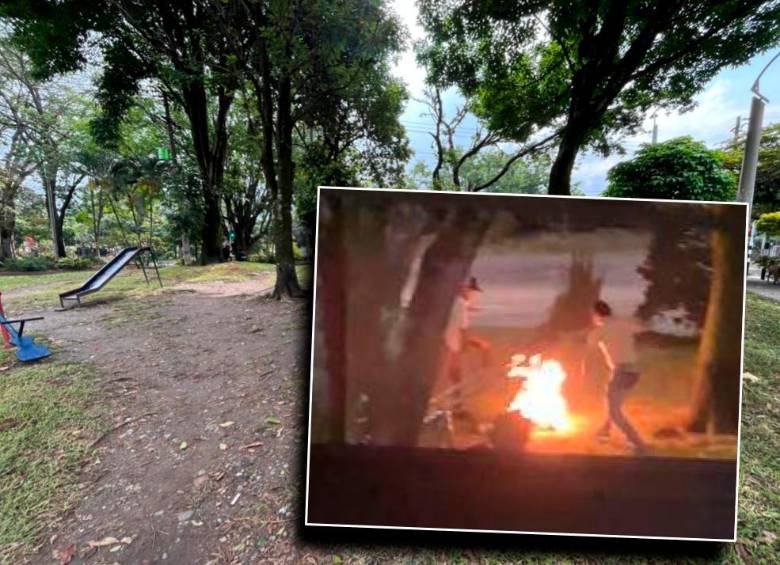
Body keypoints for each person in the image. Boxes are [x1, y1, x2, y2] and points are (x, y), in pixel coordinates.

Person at [583, 299, 648, 454]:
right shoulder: (622, 324)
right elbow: (641, 327)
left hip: (621, 372)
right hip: (633, 371)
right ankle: (604, 432)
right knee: (614, 404)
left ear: (596, 315)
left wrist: (585, 371)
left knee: (614, 411)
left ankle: (638, 443)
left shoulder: (599, 331)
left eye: (592, 315)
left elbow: (589, 350)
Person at [442, 276, 489, 415]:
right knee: (454, 376)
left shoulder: (455, 302)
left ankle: (456, 406)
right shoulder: (461, 304)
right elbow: (463, 330)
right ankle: (454, 407)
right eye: (471, 291)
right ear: (464, 288)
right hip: (451, 344)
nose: (472, 294)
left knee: (454, 375)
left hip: (449, 342)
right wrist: (468, 346)